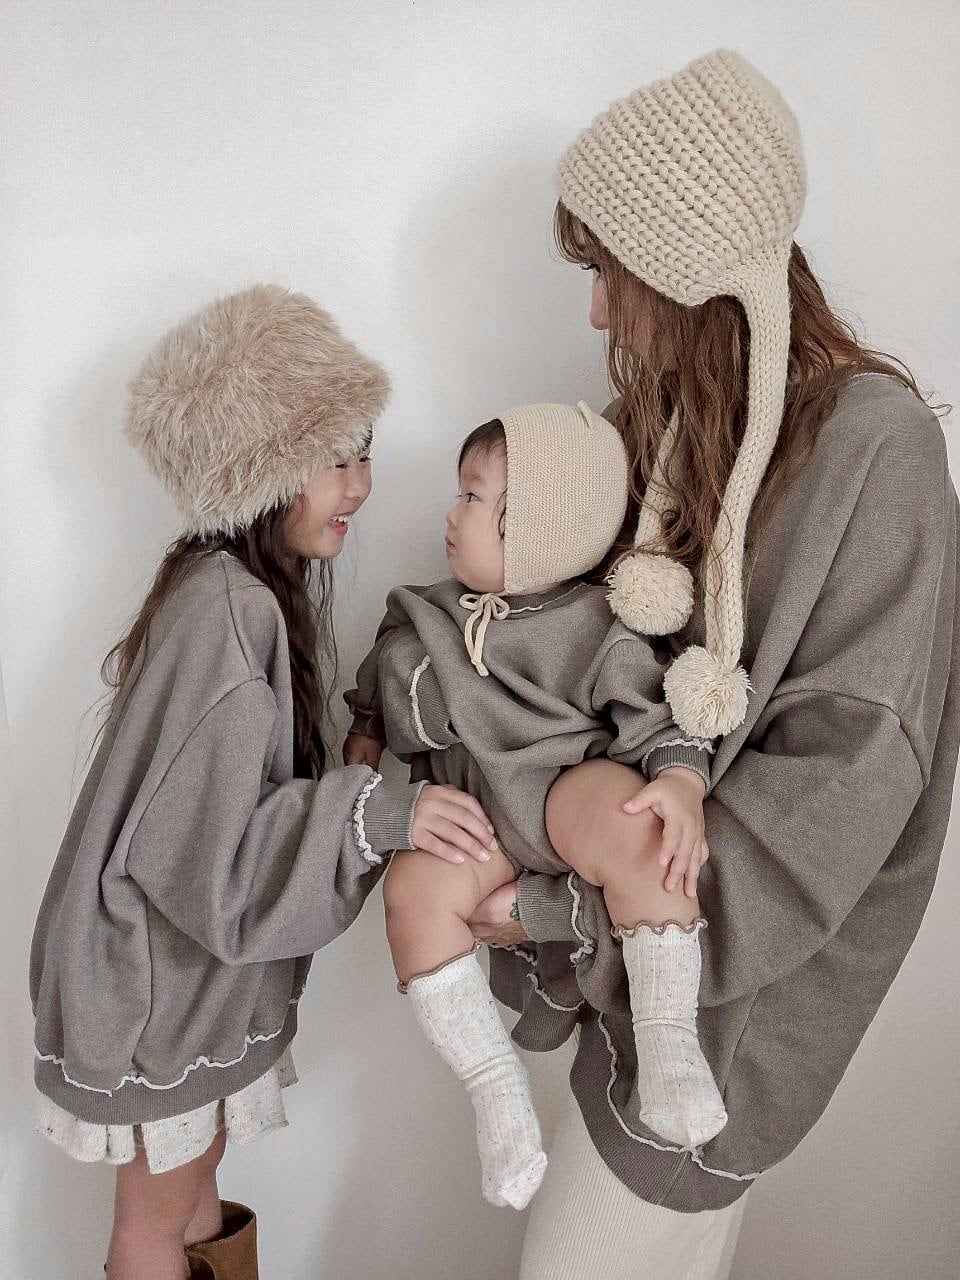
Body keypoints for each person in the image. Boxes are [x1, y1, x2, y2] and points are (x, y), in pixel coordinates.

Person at [464, 49, 959, 1279]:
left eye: (608, 273)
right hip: (633, 972)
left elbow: (838, 795)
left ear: (690, 274)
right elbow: (572, 643)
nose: (596, 315)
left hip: (733, 1016)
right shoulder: (681, 429)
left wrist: (552, 910)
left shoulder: (878, 452)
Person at [28, 284, 493, 1280]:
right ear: (261, 468)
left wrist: (356, 766)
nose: (361, 484)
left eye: (363, 451)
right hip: (154, 982)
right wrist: (382, 813)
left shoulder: (228, 590)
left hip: (175, 974)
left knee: (193, 1191)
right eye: (335, 459)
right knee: (156, 1220)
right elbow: (202, 853)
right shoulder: (230, 613)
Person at [344, 402, 725, 1210]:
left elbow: (657, 714)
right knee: (413, 892)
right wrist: (366, 754)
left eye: (474, 497)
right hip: (476, 815)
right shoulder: (425, 615)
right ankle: (495, 1090)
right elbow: (374, 697)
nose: (451, 515)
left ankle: (669, 1043)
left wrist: (682, 780)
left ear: (536, 528)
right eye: (460, 494)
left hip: (562, 793)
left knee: (642, 824)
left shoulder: (594, 627)